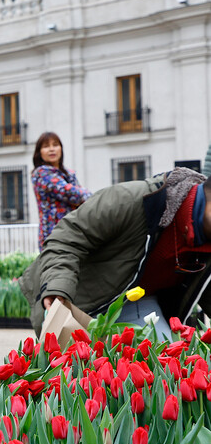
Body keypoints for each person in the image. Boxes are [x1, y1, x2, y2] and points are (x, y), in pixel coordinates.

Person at [21, 168, 211, 339]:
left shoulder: (206, 239)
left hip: (141, 303)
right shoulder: (135, 199)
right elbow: (66, 238)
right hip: (83, 301)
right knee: (79, 373)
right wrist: (58, 287)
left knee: (166, 365)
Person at [31, 132, 92, 250]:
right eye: (46, 146)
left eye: (55, 145)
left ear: (61, 149)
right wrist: (89, 195)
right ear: (39, 152)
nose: (51, 149)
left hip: (74, 232)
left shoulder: (69, 174)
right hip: (54, 235)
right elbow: (71, 193)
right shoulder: (41, 174)